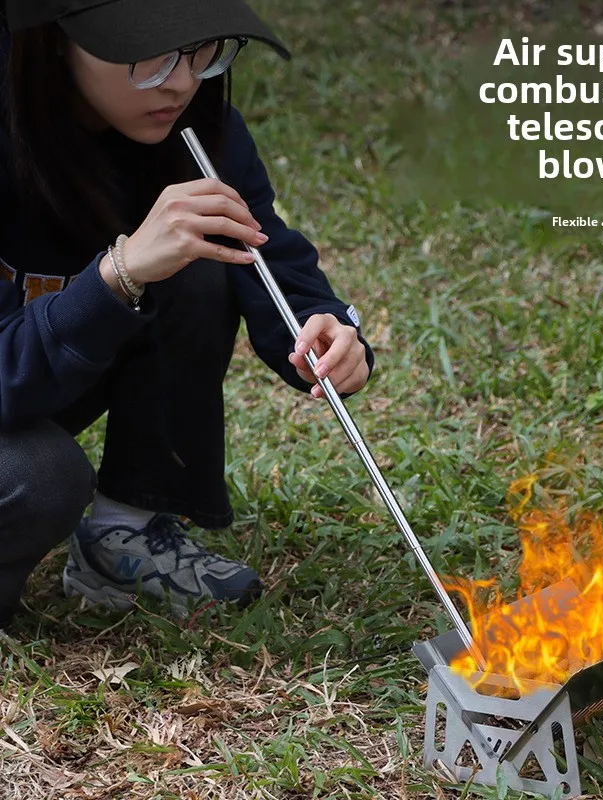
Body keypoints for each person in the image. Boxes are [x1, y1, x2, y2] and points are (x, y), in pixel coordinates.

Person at [0, 0, 375, 628]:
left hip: (45, 370)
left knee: (200, 247)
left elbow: (268, 259)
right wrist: (118, 274)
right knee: (39, 477)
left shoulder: (195, 128)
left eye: (202, 51)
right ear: (56, 39)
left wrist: (327, 328)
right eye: (148, 57)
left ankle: (124, 531)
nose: (180, 82)